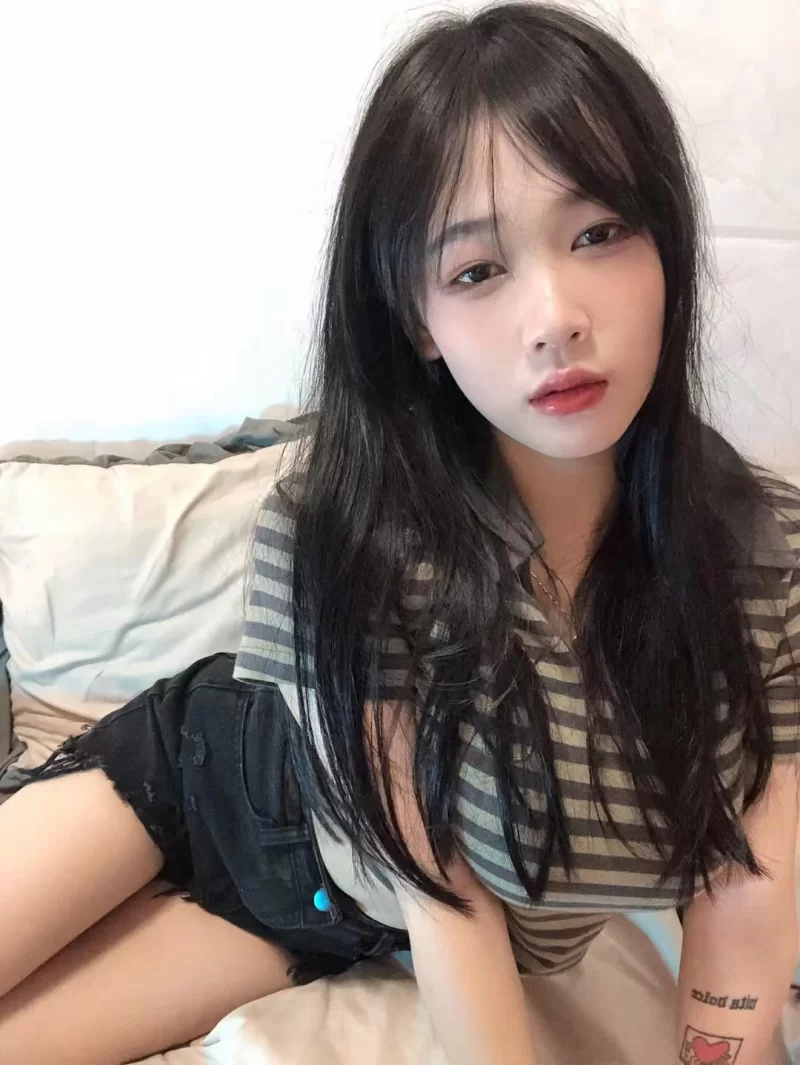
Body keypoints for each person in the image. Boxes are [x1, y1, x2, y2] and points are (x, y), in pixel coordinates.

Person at [0, 2, 798, 1063]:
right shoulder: (346, 532)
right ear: (419, 322)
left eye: (599, 233)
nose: (554, 316)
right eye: (476, 271)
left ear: (669, 247)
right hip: (203, 774)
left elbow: (749, 886)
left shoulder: (761, 563)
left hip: (325, 910)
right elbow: (440, 890)